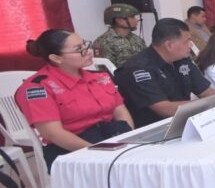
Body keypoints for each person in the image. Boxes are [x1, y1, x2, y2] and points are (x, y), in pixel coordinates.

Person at [15, 30, 134, 170]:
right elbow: (53, 133)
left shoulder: (99, 77)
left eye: (86, 45)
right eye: (79, 49)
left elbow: (120, 111)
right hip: (72, 150)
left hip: (111, 138)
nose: (88, 51)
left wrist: (130, 138)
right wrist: (100, 151)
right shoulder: (37, 87)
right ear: (56, 58)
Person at [114, 18, 215, 128]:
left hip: (185, 122)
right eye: (187, 41)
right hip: (154, 130)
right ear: (169, 45)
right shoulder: (138, 69)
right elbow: (165, 109)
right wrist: (208, 103)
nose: (191, 45)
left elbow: (205, 91)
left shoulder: (182, 60)